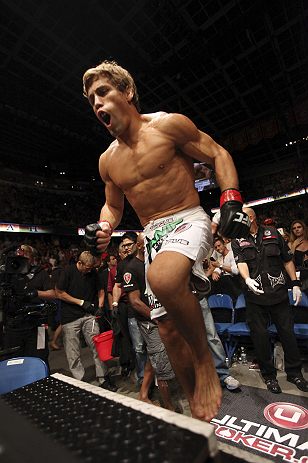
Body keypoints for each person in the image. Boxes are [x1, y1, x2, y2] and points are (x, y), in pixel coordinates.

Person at [82, 60, 250, 421]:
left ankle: (207, 364)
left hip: (187, 217)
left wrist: (232, 197)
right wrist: (104, 227)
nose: (96, 103)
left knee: (161, 278)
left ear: (127, 93)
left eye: (103, 92)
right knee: (168, 329)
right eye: (91, 99)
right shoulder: (107, 160)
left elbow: (218, 153)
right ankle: (195, 407)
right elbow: (113, 206)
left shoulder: (168, 124)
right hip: (153, 234)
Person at [232, 207, 308, 393]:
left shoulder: (272, 233)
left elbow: (287, 260)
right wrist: (247, 279)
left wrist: (296, 283)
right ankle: (269, 376)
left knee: (288, 334)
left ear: (250, 218)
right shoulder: (237, 240)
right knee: (260, 338)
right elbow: (241, 262)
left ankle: (295, 373)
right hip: (254, 297)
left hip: (279, 294)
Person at [123, 233, 175, 409]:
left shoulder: (154, 262)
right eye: (150, 243)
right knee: (161, 362)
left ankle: (143, 395)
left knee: (154, 358)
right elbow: (136, 303)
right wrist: (158, 319)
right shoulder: (131, 268)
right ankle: (168, 407)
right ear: (139, 245)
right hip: (149, 322)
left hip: (161, 317)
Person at [56, 251, 117, 391]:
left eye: (91, 268)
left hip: (89, 315)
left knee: (97, 347)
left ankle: (103, 377)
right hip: (70, 317)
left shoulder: (93, 273)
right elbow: (59, 293)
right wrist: (81, 302)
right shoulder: (68, 272)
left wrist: (100, 306)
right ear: (79, 263)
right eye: (87, 268)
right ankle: (80, 381)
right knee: (73, 352)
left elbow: (100, 290)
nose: (89, 270)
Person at [3, 244, 56, 370]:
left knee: (39, 359)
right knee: (13, 362)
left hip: (36, 325)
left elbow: (53, 294)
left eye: (25, 260)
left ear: (32, 259)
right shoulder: (8, 275)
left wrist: (36, 293)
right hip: (13, 326)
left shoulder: (40, 273)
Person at [112, 232, 147, 385]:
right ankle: (142, 377)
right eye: (124, 245)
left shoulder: (148, 258)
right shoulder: (122, 265)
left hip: (151, 306)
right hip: (132, 310)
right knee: (138, 347)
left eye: (129, 244)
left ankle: (159, 375)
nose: (126, 248)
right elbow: (117, 285)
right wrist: (114, 303)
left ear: (137, 244)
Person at [206, 237, 241, 301]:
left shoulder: (232, 254)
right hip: (224, 283)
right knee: (210, 281)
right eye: (216, 247)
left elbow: (236, 270)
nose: (218, 248)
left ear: (224, 244)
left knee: (226, 278)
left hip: (234, 282)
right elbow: (218, 269)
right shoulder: (220, 257)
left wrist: (220, 265)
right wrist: (215, 273)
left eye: (219, 245)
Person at [288, 220, 308, 296]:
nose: (296, 229)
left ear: (303, 228)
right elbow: (289, 260)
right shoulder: (291, 243)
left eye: (299, 227)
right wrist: (293, 246)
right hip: (299, 275)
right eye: (294, 228)